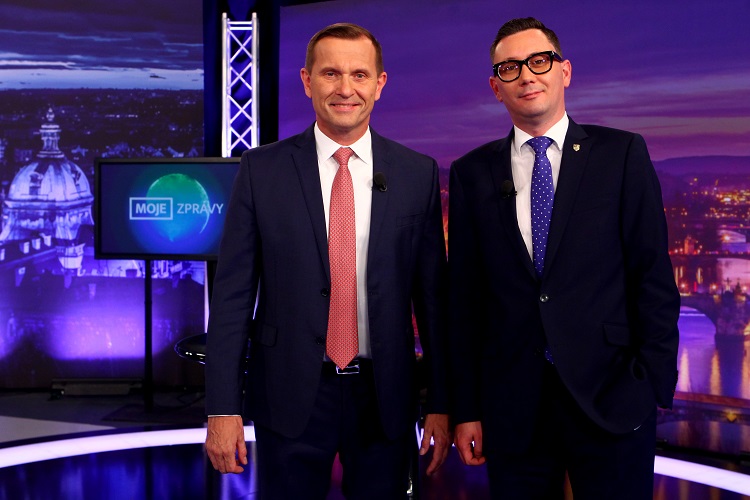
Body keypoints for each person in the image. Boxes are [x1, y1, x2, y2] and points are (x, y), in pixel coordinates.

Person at [204, 23, 450, 499]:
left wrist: (441, 402)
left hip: (385, 397)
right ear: (307, 80)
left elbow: (433, 304)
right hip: (289, 392)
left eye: (359, 74)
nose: (345, 88)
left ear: (379, 84)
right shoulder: (261, 170)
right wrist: (222, 408)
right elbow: (232, 297)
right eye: (331, 73)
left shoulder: (416, 174)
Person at [448, 17, 679, 499]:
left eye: (539, 61)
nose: (526, 76)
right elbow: (465, 301)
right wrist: (466, 408)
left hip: (612, 396)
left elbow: (653, 277)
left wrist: (651, 385)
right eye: (510, 68)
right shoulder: (471, 173)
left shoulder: (621, 154)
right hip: (512, 409)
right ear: (495, 87)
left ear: (565, 71)